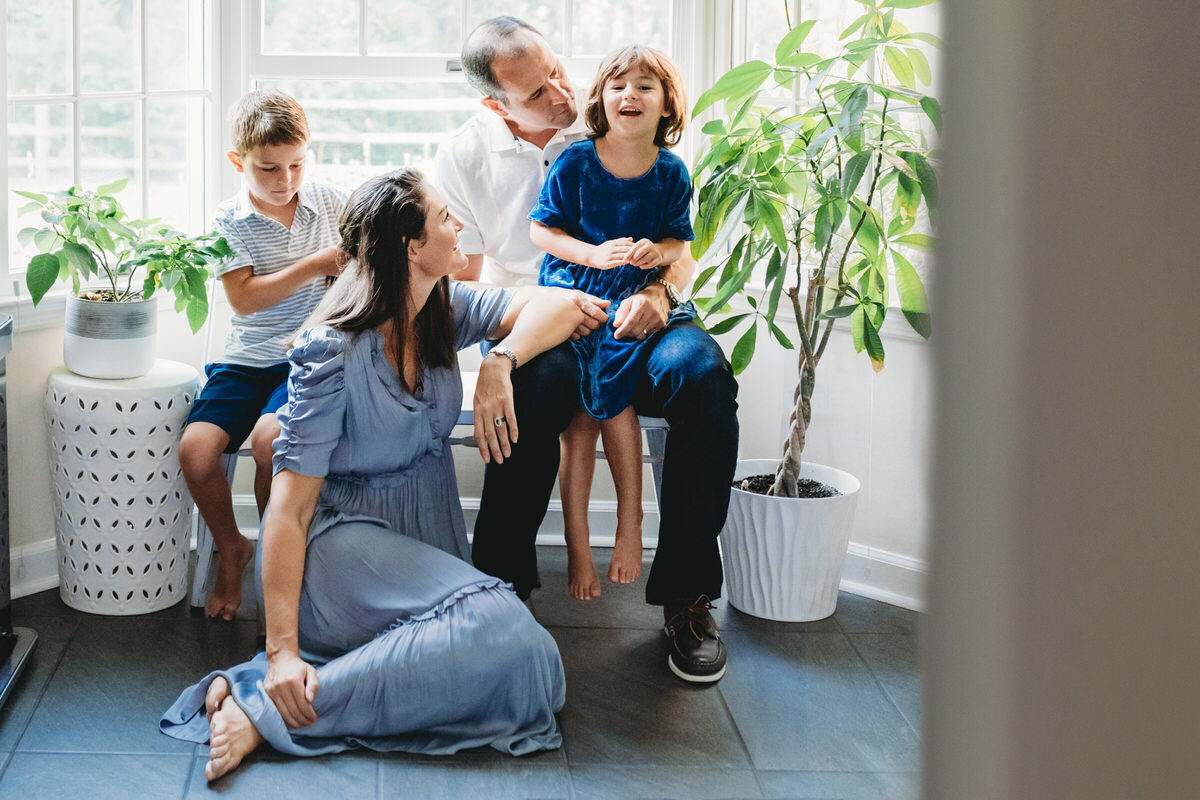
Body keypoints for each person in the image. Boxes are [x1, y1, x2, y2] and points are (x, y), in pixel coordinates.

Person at [162, 168, 606, 781]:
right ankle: (273, 707)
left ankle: (277, 701)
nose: (458, 228)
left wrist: (501, 361)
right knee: (514, 638)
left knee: (534, 675)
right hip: (341, 544)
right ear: (411, 248)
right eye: (446, 218)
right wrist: (281, 650)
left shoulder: (443, 308)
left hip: (417, 534)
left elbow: (559, 301)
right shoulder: (332, 350)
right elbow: (287, 512)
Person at [435, 17, 739, 683]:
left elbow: (679, 249)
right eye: (538, 91)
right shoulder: (463, 156)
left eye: (559, 71)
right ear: (496, 103)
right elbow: (464, 280)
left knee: (704, 377)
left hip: (636, 306)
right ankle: (502, 589)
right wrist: (501, 350)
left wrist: (659, 294)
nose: (563, 93)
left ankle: (687, 595)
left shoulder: (610, 121)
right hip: (536, 319)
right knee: (535, 390)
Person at [528, 44, 694, 601]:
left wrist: (657, 252)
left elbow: (679, 242)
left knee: (613, 401)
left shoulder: (671, 172)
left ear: (667, 104)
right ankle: (579, 547)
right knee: (578, 425)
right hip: (574, 295)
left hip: (630, 301)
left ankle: (631, 523)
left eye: (647, 86)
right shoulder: (576, 161)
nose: (631, 95)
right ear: (600, 97)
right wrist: (592, 255)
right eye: (619, 85)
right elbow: (541, 232)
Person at [179, 90, 348, 621]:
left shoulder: (334, 204)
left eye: (297, 164)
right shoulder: (229, 218)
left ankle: (273, 567)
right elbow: (244, 298)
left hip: (305, 356)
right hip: (247, 356)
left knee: (270, 442)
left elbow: (363, 274)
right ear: (238, 163)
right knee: (196, 450)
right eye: (268, 168)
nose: (286, 180)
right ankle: (233, 547)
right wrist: (316, 264)